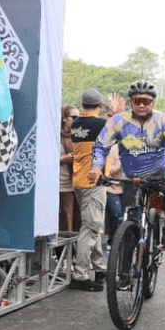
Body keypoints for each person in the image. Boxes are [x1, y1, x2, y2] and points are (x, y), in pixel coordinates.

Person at [89, 81, 165, 249]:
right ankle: (126, 270)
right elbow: (100, 145)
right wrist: (96, 166)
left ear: (153, 103)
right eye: (137, 101)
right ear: (131, 102)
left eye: (146, 101)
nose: (141, 104)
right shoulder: (118, 121)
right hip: (131, 175)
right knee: (130, 223)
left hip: (159, 170)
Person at [69, 89, 109, 291]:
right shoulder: (101, 124)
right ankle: (80, 275)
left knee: (94, 225)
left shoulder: (75, 123)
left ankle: (100, 268)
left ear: (82, 104)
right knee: (90, 228)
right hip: (94, 182)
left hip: (79, 180)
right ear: (101, 105)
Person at [59, 105, 79, 233]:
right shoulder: (54, 135)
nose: (77, 120)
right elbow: (45, 159)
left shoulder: (77, 135)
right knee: (61, 217)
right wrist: (64, 159)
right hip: (59, 183)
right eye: (74, 117)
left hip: (75, 183)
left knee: (72, 219)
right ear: (65, 118)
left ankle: (71, 251)